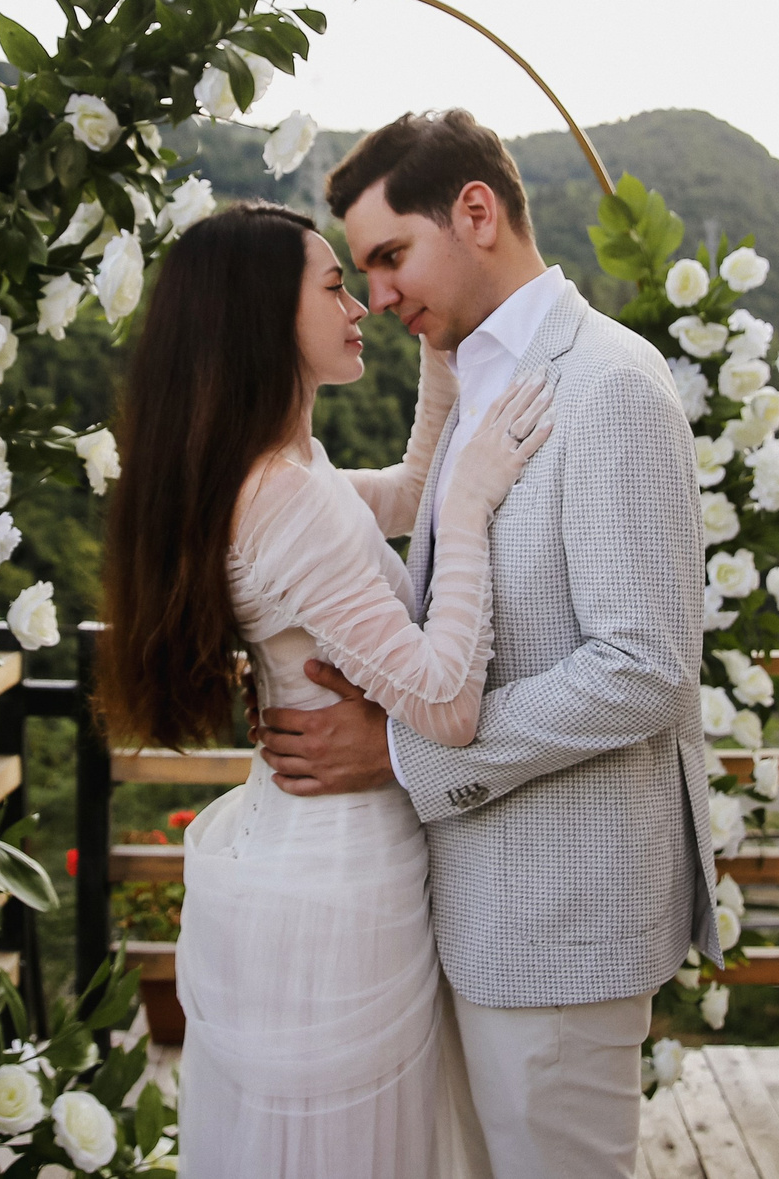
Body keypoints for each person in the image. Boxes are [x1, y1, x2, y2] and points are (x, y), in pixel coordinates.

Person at [258, 110, 717, 1179]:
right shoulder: (474, 377)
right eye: (361, 271)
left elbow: (643, 667)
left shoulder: (606, 385)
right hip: (466, 911)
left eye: (389, 256)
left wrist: (402, 752)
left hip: (558, 922)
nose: (375, 294)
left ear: (476, 212)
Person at [96, 200, 552, 1178]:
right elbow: (443, 701)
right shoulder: (287, 500)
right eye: (336, 286)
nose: (361, 306)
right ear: (265, 315)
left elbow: (408, 489)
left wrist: (443, 348)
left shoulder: (279, 468)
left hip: (313, 852)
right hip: (337, 886)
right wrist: (471, 508)